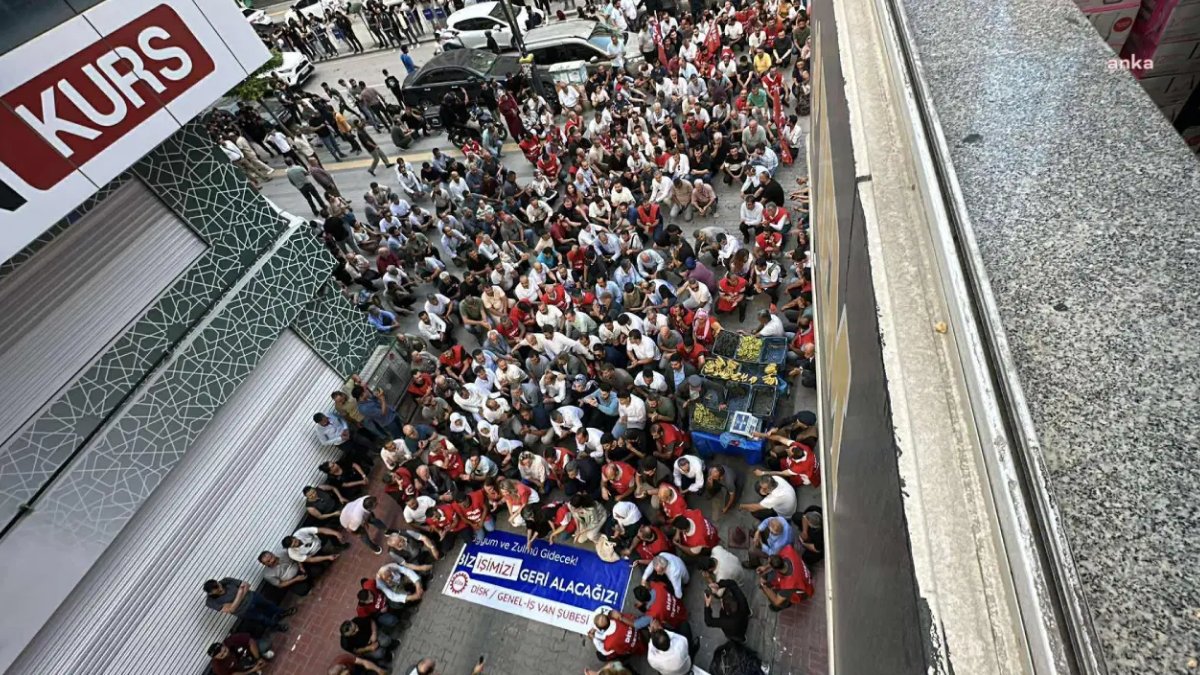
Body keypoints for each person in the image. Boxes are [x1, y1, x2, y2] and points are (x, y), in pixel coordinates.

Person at [202, 577, 294, 631]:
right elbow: (231, 610)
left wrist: (235, 602)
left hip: (252, 597)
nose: (220, 587)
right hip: (244, 611)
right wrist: (239, 593)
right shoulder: (210, 602)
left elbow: (246, 584)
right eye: (216, 589)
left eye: (218, 584)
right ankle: (276, 626)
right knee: (261, 618)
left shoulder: (226, 581)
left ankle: (282, 613)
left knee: (268, 605)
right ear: (211, 593)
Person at [207, 633, 273, 675]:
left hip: (248, 652)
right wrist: (252, 670)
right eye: (222, 655)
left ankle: (260, 656)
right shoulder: (217, 667)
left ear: (224, 645)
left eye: (225, 650)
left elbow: (251, 641)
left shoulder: (231, 640)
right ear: (216, 658)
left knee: (266, 644)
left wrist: (258, 659)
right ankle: (254, 668)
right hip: (241, 666)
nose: (226, 653)